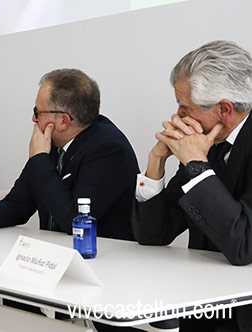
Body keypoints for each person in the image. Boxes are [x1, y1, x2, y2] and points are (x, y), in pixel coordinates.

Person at [133, 40, 252, 331]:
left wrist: (197, 166)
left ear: (224, 109)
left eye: (185, 107)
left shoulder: (198, 153)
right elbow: (153, 234)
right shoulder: (206, 144)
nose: (177, 117)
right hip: (202, 307)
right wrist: (155, 163)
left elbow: (244, 246)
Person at [0, 68, 139, 240]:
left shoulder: (108, 150)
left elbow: (74, 221)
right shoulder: (52, 142)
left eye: (38, 112)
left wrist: (39, 160)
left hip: (107, 260)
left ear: (63, 121)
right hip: (58, 255)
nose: (33, 119)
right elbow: (18, 203)